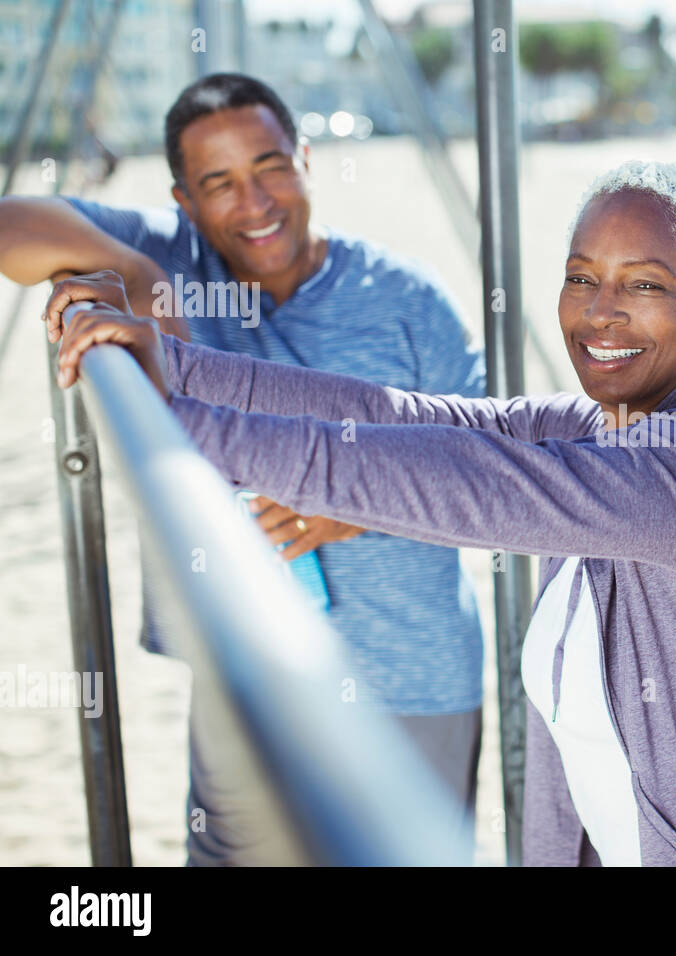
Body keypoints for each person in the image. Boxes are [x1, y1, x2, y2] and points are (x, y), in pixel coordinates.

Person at [50, 160, 676, 866]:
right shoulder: (597, 425)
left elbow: (467, 481)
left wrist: (185, 428)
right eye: (581, 276)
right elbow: (403, 418)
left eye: (645, 285)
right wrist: (181, 367)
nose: (600, 310)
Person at [3, 73, 487, 865]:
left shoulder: (407, 299)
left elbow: (488, 462)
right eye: (219, 183)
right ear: (184, 200)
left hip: (410, 678)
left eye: (269, 167)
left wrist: (351, 503)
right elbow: (10, 227)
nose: (254, 202)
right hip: (245, 684)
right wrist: (139, 274)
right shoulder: (171, 257)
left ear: (303, 159)